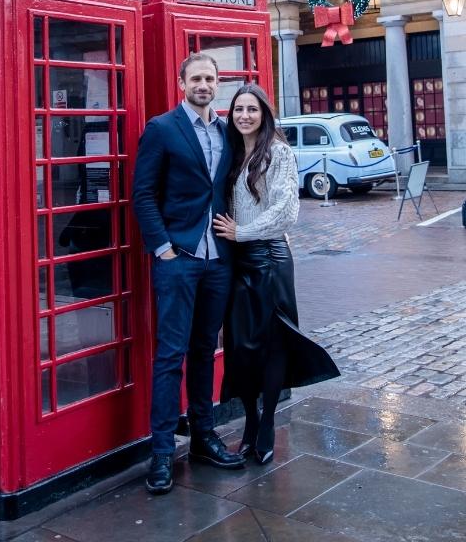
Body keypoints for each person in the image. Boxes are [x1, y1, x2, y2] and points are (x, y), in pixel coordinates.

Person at [133, 53, 245, 495]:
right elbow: (143, 194)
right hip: (177, 258)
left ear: (218, 84)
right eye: (196, 78)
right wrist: (162, 249)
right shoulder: (162, 129)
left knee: (204, 352)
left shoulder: (226, 130)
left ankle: (203, 437)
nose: (204, 84)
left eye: (210, 78)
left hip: (218, 259)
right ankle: (161, 452)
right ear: (182, 83)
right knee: (170, 356)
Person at [213, 84, 340, 464]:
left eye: (252, 109)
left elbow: (287, 212)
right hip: (238, 261)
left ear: (264, 114)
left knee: (273, 345)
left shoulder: (279, 153)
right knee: (241, 346)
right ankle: (250, 421)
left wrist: (242, 231)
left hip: (269, 258)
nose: (245, 116)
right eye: (238, 110)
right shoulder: (232, 151)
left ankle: (267, 421)